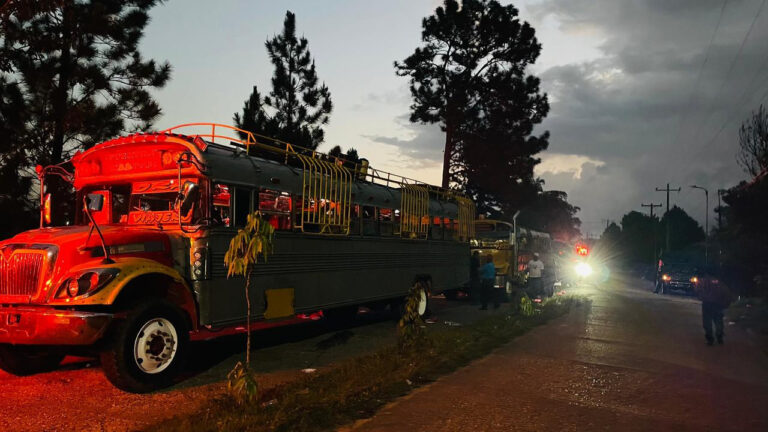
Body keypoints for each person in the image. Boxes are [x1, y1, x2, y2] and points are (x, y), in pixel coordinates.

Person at [694, 267, 734, 346]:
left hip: (707, 304)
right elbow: (727, 293)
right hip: (719, 304)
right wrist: (726, 303)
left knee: (707, 322)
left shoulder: (704, 281)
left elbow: (698, 289)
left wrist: (702, 297)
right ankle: (719, 337)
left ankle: (710, 339)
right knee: (718, 320)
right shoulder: (720, 282)